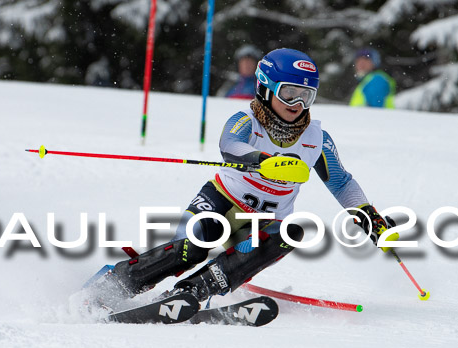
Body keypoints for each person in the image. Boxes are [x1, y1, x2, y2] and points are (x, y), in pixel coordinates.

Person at [87, 48, 396, 311]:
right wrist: (265, 162)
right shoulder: (245, 121)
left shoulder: (317, 139)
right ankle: (113, 285)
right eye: (289, 93)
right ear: (266, 87)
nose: (297, 104)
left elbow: (341, 183)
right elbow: (230, 147)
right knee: (192, 247)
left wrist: (370, 218)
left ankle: (193, 292)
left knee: (292, 231)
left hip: (263, 222)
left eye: (306, 96)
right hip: (222, 201)